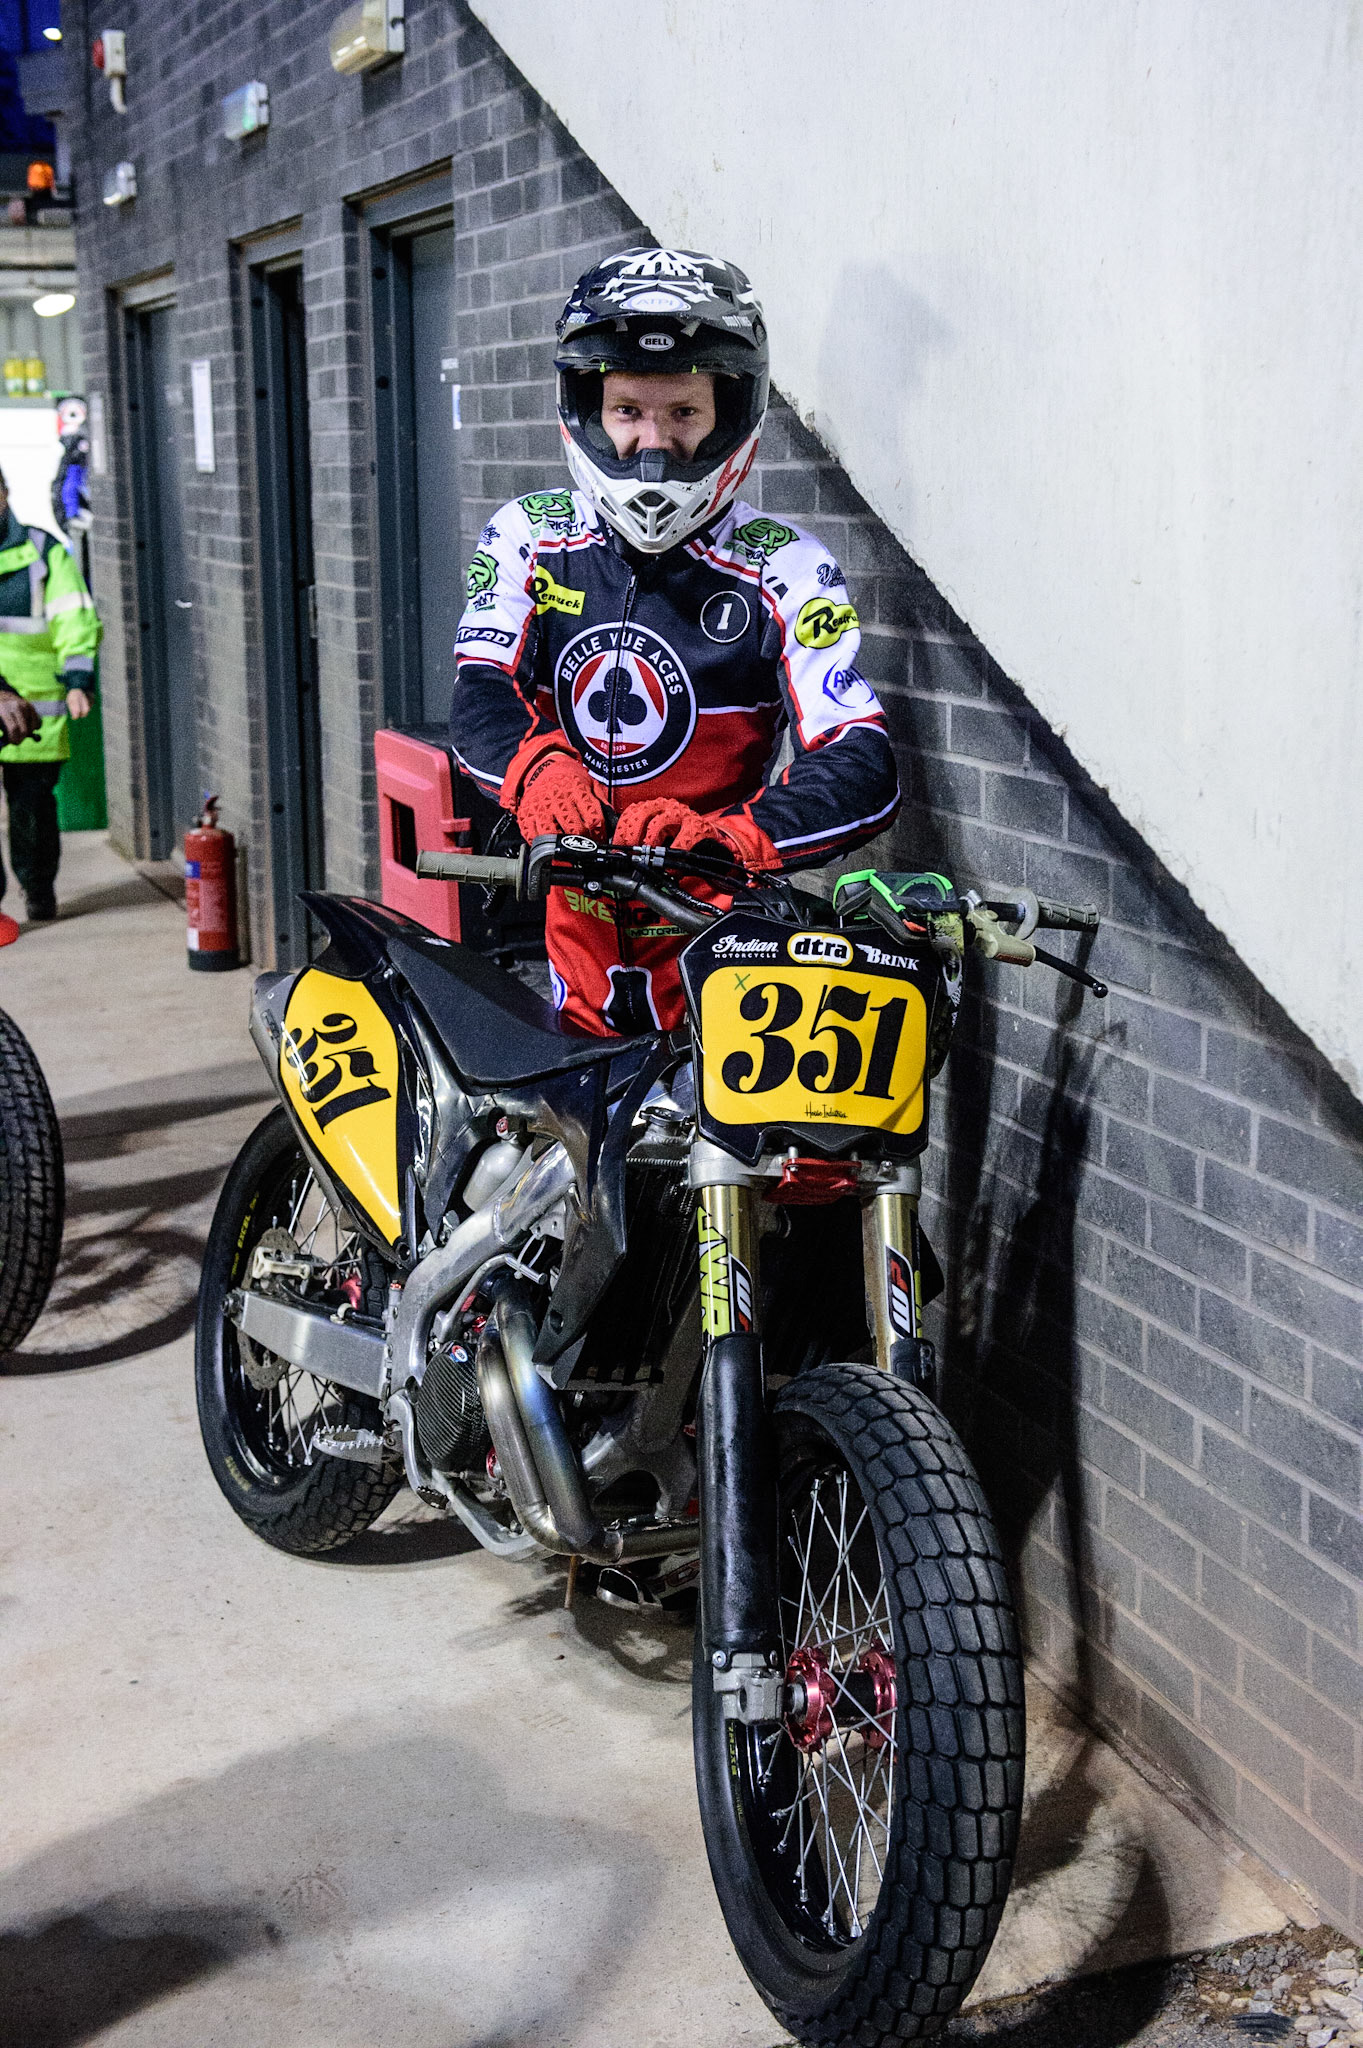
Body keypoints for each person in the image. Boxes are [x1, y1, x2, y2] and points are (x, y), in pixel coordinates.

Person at [449, 247, 900, 1036]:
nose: (652, 444)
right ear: (587, 409)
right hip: (568, 932)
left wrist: (738, 839)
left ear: (730, 414)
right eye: (627, 411)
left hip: (720, 938)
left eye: (684, 413)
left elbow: (860, 755)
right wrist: (538, 767)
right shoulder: (528, 535)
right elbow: (481, 689)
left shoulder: (786, 565)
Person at [0, 467, 102, 922]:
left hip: (37, 712)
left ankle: (38, 888)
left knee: (33, 812)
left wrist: (79, 681)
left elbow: (73, 619)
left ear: (3, 496)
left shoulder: (43, 551)